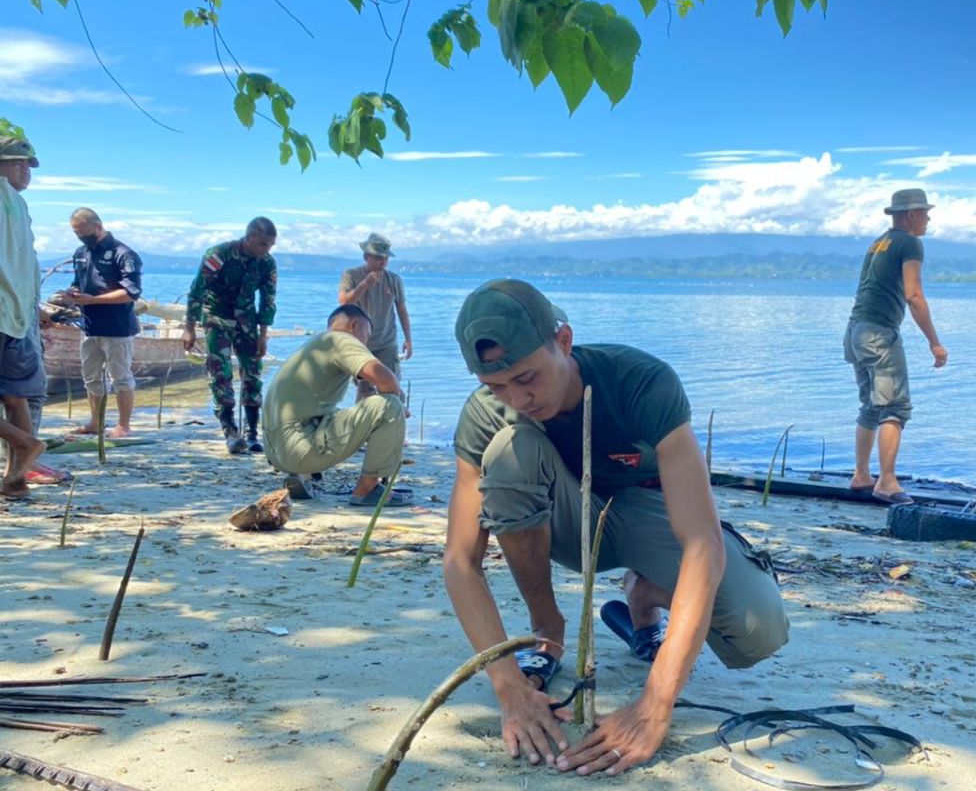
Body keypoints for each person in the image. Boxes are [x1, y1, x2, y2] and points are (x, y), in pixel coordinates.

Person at [444, 279, 788, 776]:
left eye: (527, 377)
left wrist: (655, 701)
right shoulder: (487, 413)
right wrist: (508, 687)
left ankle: (645, 595)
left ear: (563, 341)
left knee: (760, 631)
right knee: (510, 449)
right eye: (495, 385)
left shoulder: (640, 381)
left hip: (645, 509)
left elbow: (701, 542)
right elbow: (460, 563)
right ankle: (548, 630)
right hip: (564, 521)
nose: (517, 398)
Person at [844, 188, 948, 505]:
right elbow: (913, 295)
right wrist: (935, 343)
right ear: (912, 214)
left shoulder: (880, 242)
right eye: (926, 213)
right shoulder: (909, 242)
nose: (929, 219)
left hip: (855, 331)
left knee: (871, 406)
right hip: (879, 333)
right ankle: (887, 481)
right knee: (895, 408)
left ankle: (861, 475)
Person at [262, 304, 410, 506]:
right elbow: (388, 381)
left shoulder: (315, 345)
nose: (366, 345)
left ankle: (304, 475)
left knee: (331, 412)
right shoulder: (340, 339)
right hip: (298, 448)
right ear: (354, 325)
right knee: (390, 405)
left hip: (275, 451)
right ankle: (368, 489)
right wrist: (397, 410)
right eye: (366, 337)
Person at [183, 217, 278, 454]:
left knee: (253, 374)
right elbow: (197, 291)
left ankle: (253, 433)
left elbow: (268, 300)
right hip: (217, 317)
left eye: (270, 245)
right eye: (263, 244)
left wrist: (263, 335)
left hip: (247, 321)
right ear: (249, 238)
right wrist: (190, 327)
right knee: (220, 373)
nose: (266, 250)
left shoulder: (266, 263)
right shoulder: (219, 255)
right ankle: (231, 432)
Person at [65, 207, 143, 438]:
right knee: (90, 377)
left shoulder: (123, 254)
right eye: (76, 233)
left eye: (84, 232)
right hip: (88, 325)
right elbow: (78, 281)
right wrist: (73, 293)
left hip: (117, 327)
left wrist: (93, 299)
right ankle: (95, 422)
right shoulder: (81, 252)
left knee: (120, 377)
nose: (81, 237)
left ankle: (123, 425)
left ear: (98, 227)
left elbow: (130, 293)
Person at [0, 135, 47, 497]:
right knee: (15, 397)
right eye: (17, 163)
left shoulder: (16, 204)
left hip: (12, 311)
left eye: (28, 165)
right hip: (17, 314)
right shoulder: (17, 205)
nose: (25, 171)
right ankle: (16, 478)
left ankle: (23, 445)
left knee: (16, 397)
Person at [337, 233, 412, 401]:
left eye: (385, 259)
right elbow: (343, 302)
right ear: (366, 257)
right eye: (378, 258)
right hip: (361, 344)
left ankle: (395, 423)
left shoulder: (393, 280)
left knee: (392, 389)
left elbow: (401, 310)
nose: (382, 263)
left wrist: (408, 339)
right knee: (365, 390)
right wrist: (365, 284)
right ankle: (363, 426)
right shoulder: (351, 275)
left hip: (387, 342)